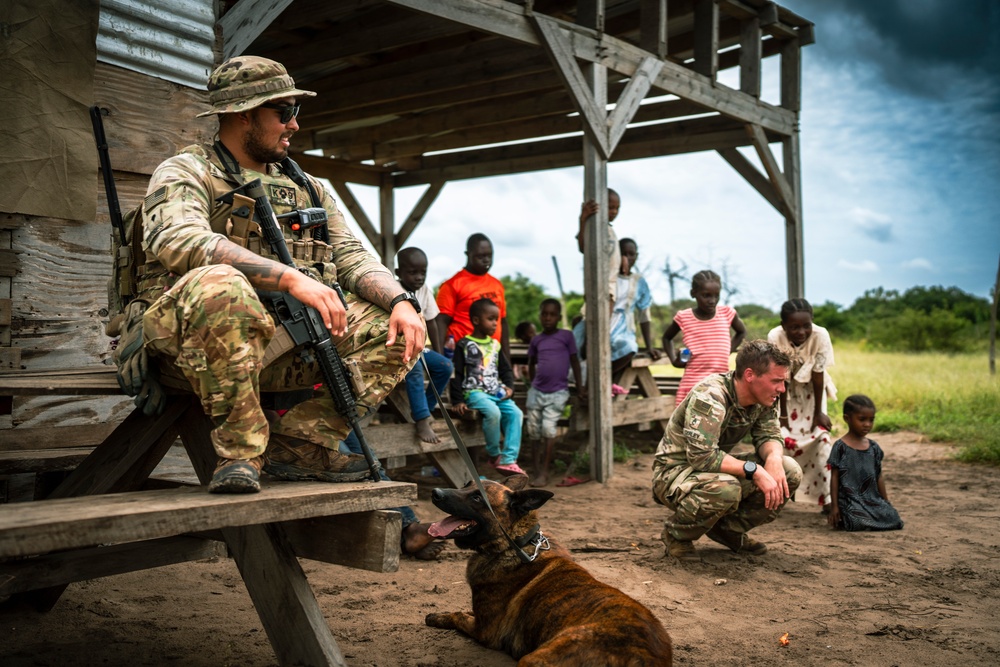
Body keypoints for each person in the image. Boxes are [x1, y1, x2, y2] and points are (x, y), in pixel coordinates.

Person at [117, 56, 425, 494]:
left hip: (286, 348)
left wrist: (400, 302)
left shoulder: (309, 188)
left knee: (397, 325)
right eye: (285, 112)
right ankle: (240, 455)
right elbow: (178, 240)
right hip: (196, 349)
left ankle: (300, 444)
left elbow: (355, 257)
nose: (295, 125)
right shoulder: (188, 170)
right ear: (244, 112)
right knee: (221, 285)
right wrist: (288, 278)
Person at [651, 340, 803, 561]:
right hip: (674, 473)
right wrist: (756, 471)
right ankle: (677, 535)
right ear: (750, 375)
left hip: (711, 468)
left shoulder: (765, 397)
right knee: (726, 488)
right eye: (777, 381)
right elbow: (702, 457)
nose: (782, 389)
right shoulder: (711, 396)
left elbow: (769, 435)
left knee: (789, 471)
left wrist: (774, 458)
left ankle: (728, 530)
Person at [767, 298, 837, 513]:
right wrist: (784, 415)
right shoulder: (774, 336)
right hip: (783, 390)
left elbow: (818, 375)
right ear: (783, 325)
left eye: (806, 325)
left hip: (812, 393)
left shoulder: (820, 335)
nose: (801, 331)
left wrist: (819, 414)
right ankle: (778, 495)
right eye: (794, 327)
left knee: (821, 438)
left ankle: (827, 498)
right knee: (781, 438)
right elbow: (780, 377)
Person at [450, 298, 525, 475]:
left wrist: (509, 387)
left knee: (516, 413)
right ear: (476, 320)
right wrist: (457, 400)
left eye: (496, 320)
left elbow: (506, 370)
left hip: (496, 391)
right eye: (490, 319)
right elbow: (456, 373)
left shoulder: (495, 345)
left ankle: (508, 459)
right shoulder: (464, 344)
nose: (494, 323)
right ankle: (494, 455)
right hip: (475, 393)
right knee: (493, 413)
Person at [662, 270, 746, 406]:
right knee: (690, 424)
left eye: (716, 296)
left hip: (720, 386)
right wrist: (673, 360)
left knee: (720, 424)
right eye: (706, 296)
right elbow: (667, 338)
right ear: (693, 293)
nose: (712, 301)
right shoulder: (684, 317)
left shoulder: (727, 313)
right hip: (693, 385)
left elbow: (741, 332)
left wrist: (728, 350)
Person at [396, 247, 453, 444]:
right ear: (398, 273)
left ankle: (426, 409)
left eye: (423, 272)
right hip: (397, 347)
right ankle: (421, 419)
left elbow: (432, 321)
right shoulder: (393, 290)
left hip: (419, 347)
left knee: (445, 366)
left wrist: (439, 352)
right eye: (413, 272)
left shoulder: (424, 290)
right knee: (415, 367)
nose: (419, 277)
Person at [526, 299, 585, 487]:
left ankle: (545, 471)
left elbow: (575, 361)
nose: (548, 318)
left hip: (558, 391)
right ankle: (535, 469)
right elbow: (531, 364)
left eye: (552, 315)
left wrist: (580, 386)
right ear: (540, 316)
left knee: (548, 430)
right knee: (533, 431)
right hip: (536, 391)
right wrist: (533, 383)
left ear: (559, 317)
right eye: (544, 314)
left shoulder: (566, 336)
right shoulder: (537, 340)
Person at [827, 395, 903, 531]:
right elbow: (834, 477)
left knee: (893, 517)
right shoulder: (840, 447)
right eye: (862, 419)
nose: (867, 424)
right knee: (855, 519)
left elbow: (879, 476)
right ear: (847, 419)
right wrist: (834, 507)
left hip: (872, 500)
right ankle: (861, 521)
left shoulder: (874, 448)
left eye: (871, 420)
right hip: (851, 501)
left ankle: (869, 521)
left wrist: (886, 502)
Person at [436, 233, 510, 359]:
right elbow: (441, 322)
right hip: (462, 355)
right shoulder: (452, 285)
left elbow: (502, 322)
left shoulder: (497, 285)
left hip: (491, 355)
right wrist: (440, 358)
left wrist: (507, 360)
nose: (486, 260)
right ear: (468, 254)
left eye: (489, 255)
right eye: (480, 256)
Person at [610, 238, 662, 382]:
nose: (627, 258)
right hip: (604, 322)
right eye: (623, 254)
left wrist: (649, 347)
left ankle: (605, 379)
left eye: (631, 254)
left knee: (629, 347)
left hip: (623, 329)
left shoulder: (639, 281)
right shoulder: (608, 276)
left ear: (636, 256)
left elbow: (644, 315)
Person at [576, 188, 625, 305]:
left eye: (617, 208)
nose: (614, 212)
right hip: (598, 287)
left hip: (611, 288)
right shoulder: (594, 228)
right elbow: (583, 247)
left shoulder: (610, 230)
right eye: (610, 207)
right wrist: (582, 219)